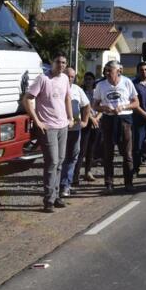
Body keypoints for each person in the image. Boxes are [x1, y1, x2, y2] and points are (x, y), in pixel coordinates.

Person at [22, 54, 73, 212]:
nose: (61, 65)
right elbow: (27, 99)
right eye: (58, 62)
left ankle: (56, 196)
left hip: (62, 126)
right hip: (48, 127)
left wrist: (70, 117)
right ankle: (48, 200)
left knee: (60, 161)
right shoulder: (43, 79)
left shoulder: (64, 78)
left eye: (64, 62)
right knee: (52, 162)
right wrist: (37, 121)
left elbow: (67, 98)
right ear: (52, 63)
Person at [93, 60, 139, 193]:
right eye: (106, 70)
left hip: (124, 119)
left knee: (127, 153)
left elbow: (136, 103)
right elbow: (94, 105)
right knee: (108, 153)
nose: (107, 73)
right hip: (108, 119)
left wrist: (124, 106)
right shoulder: (101, 85)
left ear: (118, 71)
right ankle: (109, 184)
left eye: (110, 70)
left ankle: (128, 183)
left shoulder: (127, 82)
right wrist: (103, 108)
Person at [60, 66, 91, 197]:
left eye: (72, 77)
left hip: (75, 130)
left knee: (73, 157)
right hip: (60, 129)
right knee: (60, 158)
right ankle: (58, 186)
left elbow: (87, 105)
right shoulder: (57, 87)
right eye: (68, 76)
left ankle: (66, 185)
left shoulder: (78, 90)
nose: (70, 79)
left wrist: (85, 121)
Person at [75, 71, 100, 184]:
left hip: (96, 122)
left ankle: (88, 172)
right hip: (85, 122)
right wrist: (91, 118)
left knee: (92, 149)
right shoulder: (81, 92)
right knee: (82, 150)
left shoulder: (97, 92)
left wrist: (97, 118)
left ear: (94, 80)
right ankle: (75, 175)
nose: (88, 81)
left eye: (90, 79)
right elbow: (82, 107)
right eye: (86, 79)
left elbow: (103, 105)